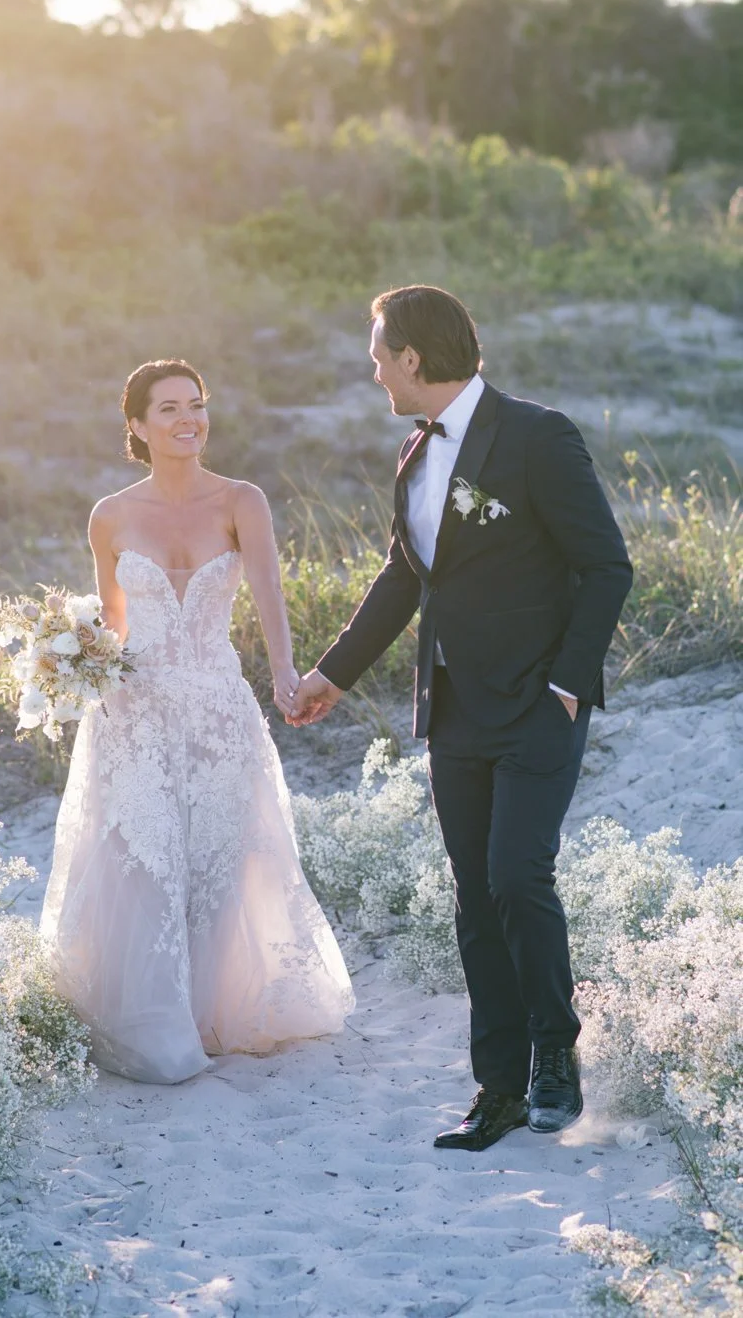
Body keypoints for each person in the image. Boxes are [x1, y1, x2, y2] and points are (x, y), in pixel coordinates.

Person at [290, 286, 632, 1150]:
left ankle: (557, 1056)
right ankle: (498, 1092)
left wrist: (567, 681)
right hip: (454, 709)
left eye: (378, 353)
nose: (371, 369)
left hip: (537, 702)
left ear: (412, 356)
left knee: (519, 875)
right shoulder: (412, 454)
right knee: (476, 899)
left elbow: (606, 566)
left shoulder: (537, 436)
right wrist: (332, 674)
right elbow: (405, 577)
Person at [40, 359, 354, 1083]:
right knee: (145, 861)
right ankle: (156, 1020)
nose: (189, 419)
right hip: (136, 717)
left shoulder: (242, 501)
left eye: (198, 405)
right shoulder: (110, 516)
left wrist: (284, 672)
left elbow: (270, 595)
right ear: (138, 427)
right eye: (171, 409)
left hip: (218, 708)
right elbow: (110, 628)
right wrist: (70, 665)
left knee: (222, 855)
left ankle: (216, 1011)